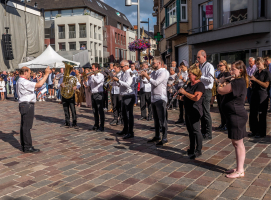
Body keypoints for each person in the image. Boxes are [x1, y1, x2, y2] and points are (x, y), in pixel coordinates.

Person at [217, 60, 249, 178]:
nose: (230, 71)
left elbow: (221, 91)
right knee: (236, 143)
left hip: (237, 115)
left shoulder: (239, 81)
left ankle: (240, 170)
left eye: (233, 69)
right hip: (233, 114)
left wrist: (220, 83)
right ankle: (238, 167)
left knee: (238, 143)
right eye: (230, 69)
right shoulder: (236, 81)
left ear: (240, 70)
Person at [17, 66, 50, 153]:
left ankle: (25, 145)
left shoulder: (21, 81)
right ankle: (28, 147)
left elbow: (35, 87)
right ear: (25, 73)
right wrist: (46, 74)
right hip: (27, 105)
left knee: (24, 126)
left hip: (24, 104)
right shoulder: (23, 81)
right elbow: (38, 85)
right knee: (27, 126)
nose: (30, 74)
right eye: (29, 72)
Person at [141, 56, 169, 146]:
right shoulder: (154, 72)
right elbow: (148, 82)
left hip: (160, 98)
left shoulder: (164, 72)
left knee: (162, 119)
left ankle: (164, 137)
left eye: (153, 63)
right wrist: (143, 77)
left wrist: (147, 76)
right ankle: (157, 135)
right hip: (153, 97)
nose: (152, 64)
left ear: (159, 63)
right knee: (156, 119)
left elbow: (156, 83)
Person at [178, 65, 205, 159]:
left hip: (195, 110)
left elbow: (196, 97)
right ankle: (192, 148)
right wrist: (180, 97)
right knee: (190, 131)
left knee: (196, 130)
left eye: (190, 74)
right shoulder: (190, 84)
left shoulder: (200, 85)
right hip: (188, 110)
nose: (188, 76)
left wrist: (185, 93)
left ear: (195, 75)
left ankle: (198, 150)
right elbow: (187, 96)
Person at [113, 60, 136, 139]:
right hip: (123, 95)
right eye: (120, 66)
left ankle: (130, 132)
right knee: (124, 115)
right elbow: (120, 85)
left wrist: (118, 80)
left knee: (129, 115)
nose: (121, 68)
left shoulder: (129, 73)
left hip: (129, 95)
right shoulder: (123, 73)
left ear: (127, 66)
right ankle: (125, 129)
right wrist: (117, 81)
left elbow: (127, 85)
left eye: (122, 66)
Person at [248, 57, 270, 138]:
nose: (257, 66)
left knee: (261, 114)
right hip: (254, 94)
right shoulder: (256, 72)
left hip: (262, 95)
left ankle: (261, 132)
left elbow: (266, 85)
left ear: (263, 63)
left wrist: (256, 80)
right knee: (253, 113)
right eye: (256, 64)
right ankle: (254, 130)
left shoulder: (266, 72)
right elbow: (254, 81)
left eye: (259, 64)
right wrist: (251, 82)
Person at [197, 50, 214, 140]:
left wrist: (199, 77)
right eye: (197, 57)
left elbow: (210, 80)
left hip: (207, 91)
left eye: (199, 57)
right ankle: (203, 131)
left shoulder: (209, 66)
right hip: (201, 90)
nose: (197, 59)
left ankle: (209, 133)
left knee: (206, 112)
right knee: (202, 112)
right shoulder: (200, 66)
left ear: (204, 57)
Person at [88, 63, 105, 132]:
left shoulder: (101, 75)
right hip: (93, 94)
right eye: (92, 68)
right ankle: (96, 124)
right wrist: (86, 79)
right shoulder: (92, 76)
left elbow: (98, 82)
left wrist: (92, 76)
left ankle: (102, 126)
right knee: (95, 111)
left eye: (93, 68)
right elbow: (88, 84)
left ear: (96, 69)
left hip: (99, 94)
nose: (92, 70)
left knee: (100, 111)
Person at [216, 60, 231, 131]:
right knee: (221, 109)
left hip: (224, 93)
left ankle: (227, 124)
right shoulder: (220, 74)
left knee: (225, 109)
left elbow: (228, 83)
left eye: (221, 65)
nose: (219, 67)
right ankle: (223, 123)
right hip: (219, 93)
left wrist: (222, 83)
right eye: (219, 65)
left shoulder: (227, 73)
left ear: (225, 65)